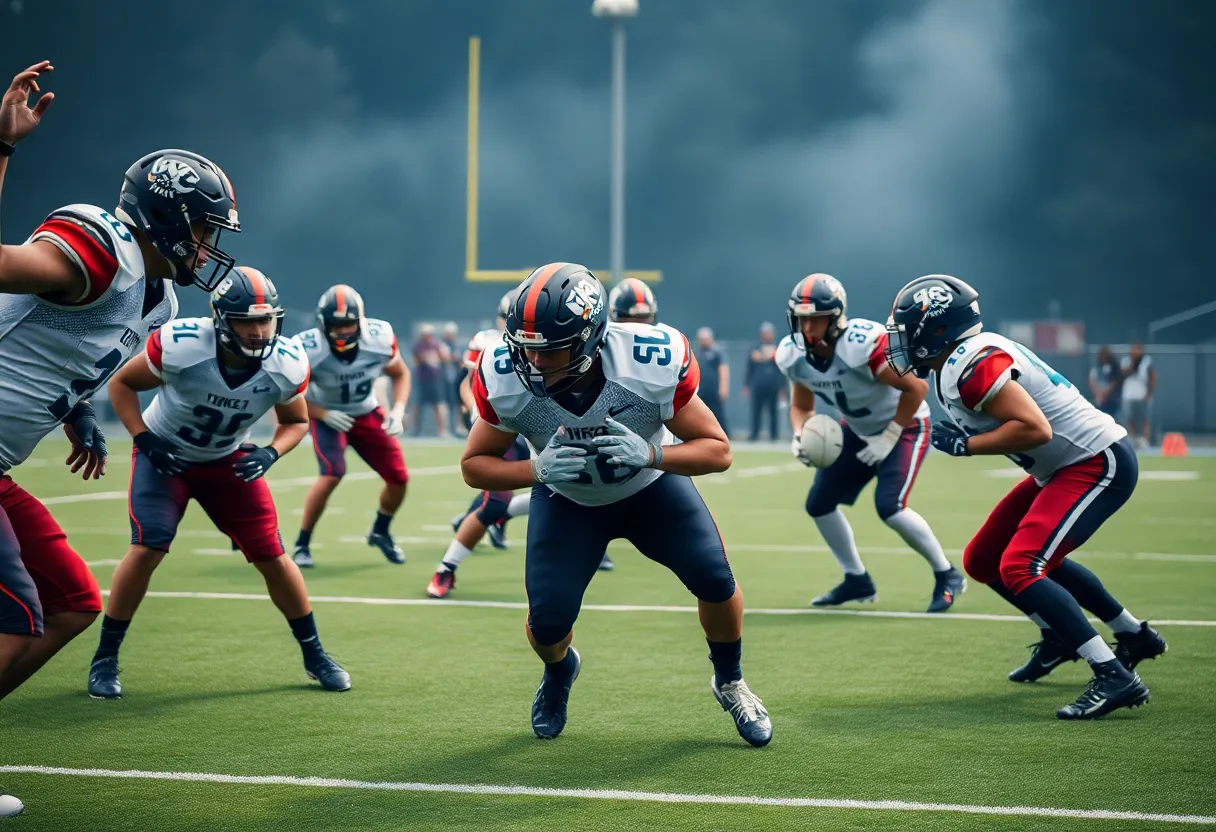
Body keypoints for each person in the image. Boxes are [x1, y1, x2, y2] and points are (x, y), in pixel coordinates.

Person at [0, 62, 240, 711]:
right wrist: (2, 146)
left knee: (71, 605)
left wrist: (76, 410)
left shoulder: (156, 299)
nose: (207, 245)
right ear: (164, 216)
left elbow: (66, 350)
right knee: (22, 612)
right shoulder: (104, 248)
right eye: (201, 229)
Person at [463, 262, 771, 746]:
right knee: (547, 628)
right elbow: (474, 465)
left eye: (550, 350)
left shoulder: (648, 362)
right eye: (527, 349)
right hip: (566, 498)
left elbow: (718, 450)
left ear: (589, 339)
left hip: (648, 489)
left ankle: (729, 680)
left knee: (715, 578)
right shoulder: (506, 375)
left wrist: (654, 454)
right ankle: (561, 671)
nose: (534, 364)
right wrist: (536, 470)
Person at [887, 274, 1166, 719]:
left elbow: (1036, 429)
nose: (898, 341)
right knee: (983, 559)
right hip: (1060, 469)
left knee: (1021, 565)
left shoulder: (969, 364)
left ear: (936, 329)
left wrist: (967, 445)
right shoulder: (953, 364)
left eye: (906, 329)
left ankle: (1113, 674)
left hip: (1094, 461)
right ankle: (1123, 635)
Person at [87, 268, 350, 698]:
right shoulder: (183, 346)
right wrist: (144, 438)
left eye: (267, 319)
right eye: (249, 320)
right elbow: (122, 383)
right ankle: (105, 657)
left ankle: (315, 654)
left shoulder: (286, 362)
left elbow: (296, 420)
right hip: (167, 457)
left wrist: (270, 452)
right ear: (223, 321)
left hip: (227, 461)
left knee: (272, 556)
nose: (261, 329)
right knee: (148, 545)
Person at [778, 274, 965, 611]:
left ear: (835, 318)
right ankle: (856, 579)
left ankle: (947, 573)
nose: (808, 328)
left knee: (890, 507)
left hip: (905, 425)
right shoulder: (794, 356)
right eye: (802, 319)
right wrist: (799, 433)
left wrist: (890, 435)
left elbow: (916, 389)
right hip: (859, 428)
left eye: (816, 319)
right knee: (819, 504)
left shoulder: (861, 346)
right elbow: (801, 406)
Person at [291, 285, 411, 568]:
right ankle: (302, 543)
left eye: (348, 324)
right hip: (327, 416)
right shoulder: (306, 348)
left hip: (365, 411)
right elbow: (286, 393)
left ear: (360, 322)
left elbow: (400, 373)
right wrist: (321, 413)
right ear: (323, 324)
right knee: (332, 473)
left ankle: (380, 531)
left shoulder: (379, 339)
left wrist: (398, 410)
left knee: (399, 478)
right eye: (336, 324)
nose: (342, 331)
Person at [427, 291, 532, 598]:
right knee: (494, 502)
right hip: (505, 427)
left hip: (542, 428)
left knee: (570, 489)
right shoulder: (490, 343)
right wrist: (475, 408)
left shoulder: (552, 343)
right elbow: (466, 381)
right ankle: (446, 568)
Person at [744, 322, 784, 441]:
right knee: (756, 411)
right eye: (765, 333)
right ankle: (755, 434)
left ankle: (774, 435)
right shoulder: (754, 347)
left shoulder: (779, 348)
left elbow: (782, 369)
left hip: (773, 385)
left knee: (773, 411)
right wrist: (746, 385)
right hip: (758, 385)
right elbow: (749, 368)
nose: (767, 335)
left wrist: (782, 387)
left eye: (769, 333)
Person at [411, 324, 450, 437]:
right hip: (422, 379)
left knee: (439, 405)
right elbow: (419, 359)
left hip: (435, 379)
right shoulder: (418, 345)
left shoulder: (437, 344)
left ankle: (442, 431)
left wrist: (436, 356)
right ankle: (415, 430)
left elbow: (444, 359)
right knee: (418, 405)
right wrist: (429, 358)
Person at [695, 327, 730, 436]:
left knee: (718, 413)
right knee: (700, 413)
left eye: (705, 338)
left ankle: (724, 435)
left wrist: (723, 387)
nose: (703, 341)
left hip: (714, 389)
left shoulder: (717, 352)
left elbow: (723, 370)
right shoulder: (697, 352)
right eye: (702, 339)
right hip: (701, 389)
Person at [1121, 342, 1156, 448]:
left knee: (1145, 418)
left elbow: (1153, 377)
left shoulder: (1147, 362)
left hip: (1142, 395)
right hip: (1129, 395)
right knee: (1130, 418)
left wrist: (1149, 393)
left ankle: (1145, 440)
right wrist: (1133, 363)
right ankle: (1132, 439)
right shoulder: (1126, 361)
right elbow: (1124, 373)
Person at [442, 321, 465, 436]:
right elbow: (446, 359)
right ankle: (446, 429)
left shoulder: (456, 345)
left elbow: (459, 360)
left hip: (455, 378)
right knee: (446, 404)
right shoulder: (442, 344)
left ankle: (458, 427)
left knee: (457, 404)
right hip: (444, 379)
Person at [1088, 345, 1123, 419]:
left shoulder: (1114, 368)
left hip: (1112, 399)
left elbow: (1114, 383)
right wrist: (1098, 395)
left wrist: (1105, 394)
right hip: (1100, 399)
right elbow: (1092, 381)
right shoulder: (1097, 368)